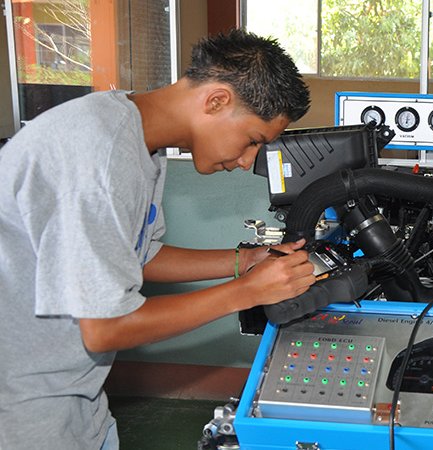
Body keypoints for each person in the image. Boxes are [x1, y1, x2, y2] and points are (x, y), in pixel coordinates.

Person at [0, 30, 316, 449]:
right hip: (22, 403)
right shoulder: (100, 153)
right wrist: (245, 291)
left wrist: (245, 262)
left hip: (76, 391)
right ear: (216, 100)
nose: (245, 162)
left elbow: (136, 256)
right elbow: (105, 328)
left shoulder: (139, 141)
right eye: (253, 141)